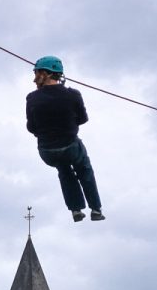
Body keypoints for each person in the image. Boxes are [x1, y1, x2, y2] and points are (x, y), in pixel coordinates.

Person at [26, 56, 105, 222]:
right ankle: (96, 209)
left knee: (64, 171)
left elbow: (31, 127)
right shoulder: (73, 94)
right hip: (70, 146)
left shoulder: (32, 98)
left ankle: (76, 209)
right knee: (84, 169)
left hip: (47, 151)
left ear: (41, 74)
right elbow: (83, 119)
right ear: (58, 74)